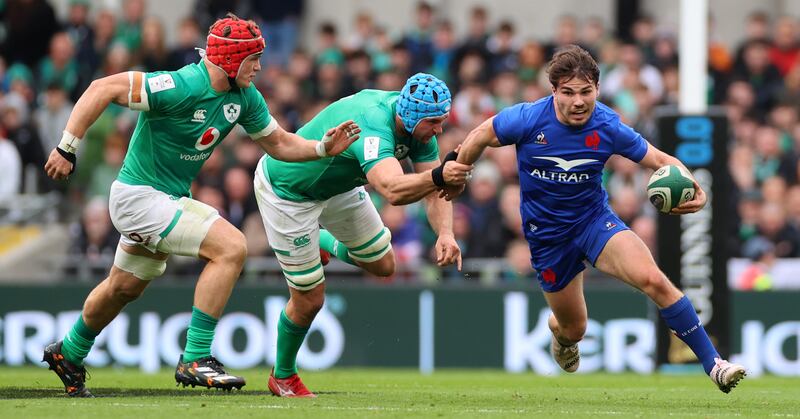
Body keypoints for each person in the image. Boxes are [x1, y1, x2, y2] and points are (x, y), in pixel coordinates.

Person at [41, 13, 360, 397]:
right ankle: (195, 357)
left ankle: (69, 352)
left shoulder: (244, 97)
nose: (259, 67)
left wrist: (323, 148)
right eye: (252, 58)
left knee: (122, 287)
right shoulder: (179, 84)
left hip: (166, 200)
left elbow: (280, 143)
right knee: (232, 246)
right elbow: (100, 88)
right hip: (138, 197)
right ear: (229, 60)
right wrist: (66, 147)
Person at [447, 45, 746, 393]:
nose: (578, 101)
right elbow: (481, 134)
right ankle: (560, 335)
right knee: (575, 329)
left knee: (654, 280)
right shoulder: (528, 119)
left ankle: (715, 365)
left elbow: (660, 159)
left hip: (594, 223)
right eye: (568, 92)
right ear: (554, 91)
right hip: (547, 238)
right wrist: (460, 167)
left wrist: (694, 185)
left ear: (598, 90)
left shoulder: (608, 126)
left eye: (586, 92)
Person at [253, 72, 472, 397]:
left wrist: (445, 233)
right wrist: (441, 176)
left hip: (337, 188)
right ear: (411, 116)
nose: (439, 129)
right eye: (435, 122)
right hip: (289, 193)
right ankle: (283, 375)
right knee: (310, 299)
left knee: (384, 265)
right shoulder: (373, 122)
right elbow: (392, 190)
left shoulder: (420, 129)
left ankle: (319, 241)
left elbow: (430, 189)